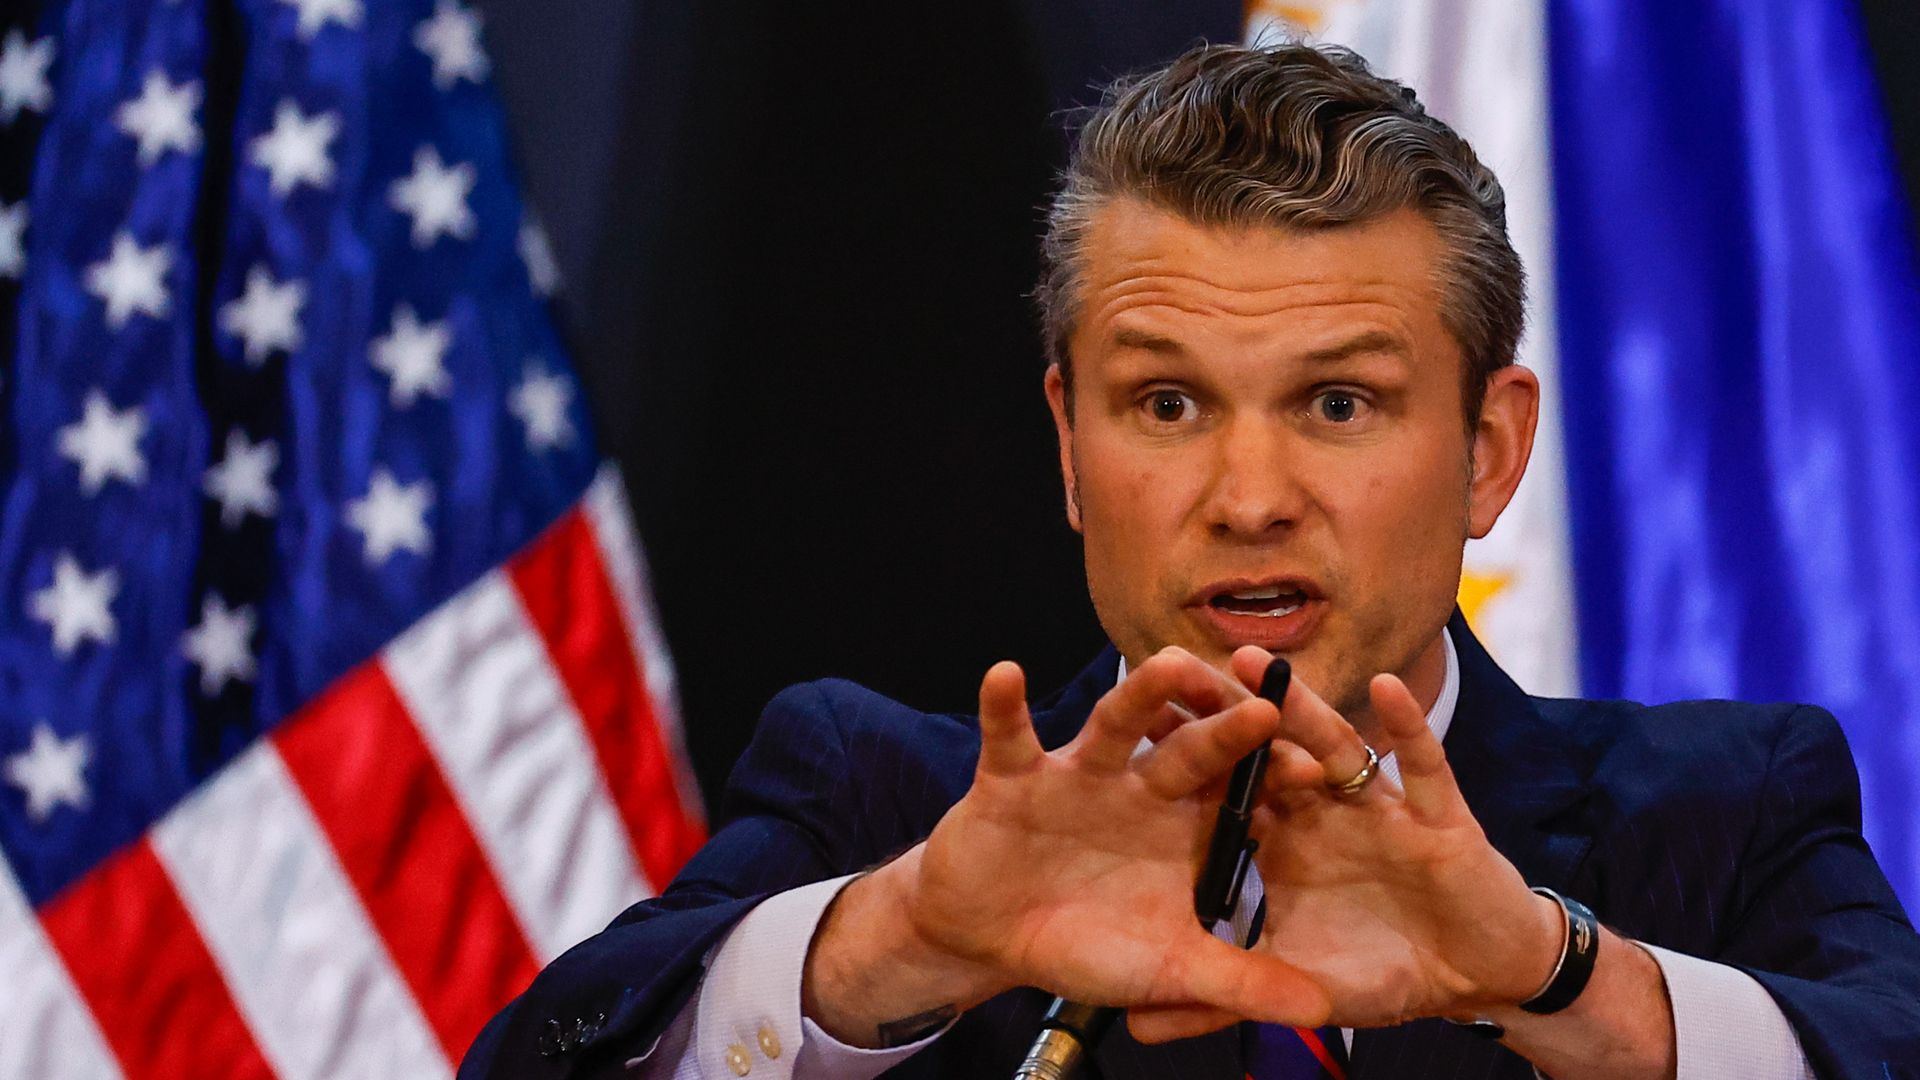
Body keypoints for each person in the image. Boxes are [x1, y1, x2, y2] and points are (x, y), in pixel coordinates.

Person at [459, 42, 1920, 1080]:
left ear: (1488, 451)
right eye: (1167, 403)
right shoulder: (879, 800)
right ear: (1070, 446)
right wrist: (896, 944)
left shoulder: (1730, 814)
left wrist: (1557, 978)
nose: (1248, 496)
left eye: (1338, 403)